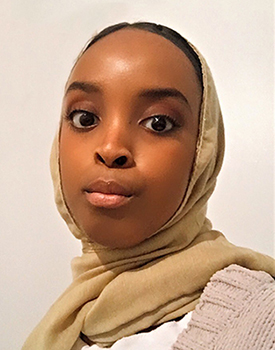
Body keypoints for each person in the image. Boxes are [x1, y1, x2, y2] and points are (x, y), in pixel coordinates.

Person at [22, 22, 275, 350]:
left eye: (159, 123)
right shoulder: (68, 322)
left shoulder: (256, 321)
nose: (111, 149)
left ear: (203, 152)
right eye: (85, 118)